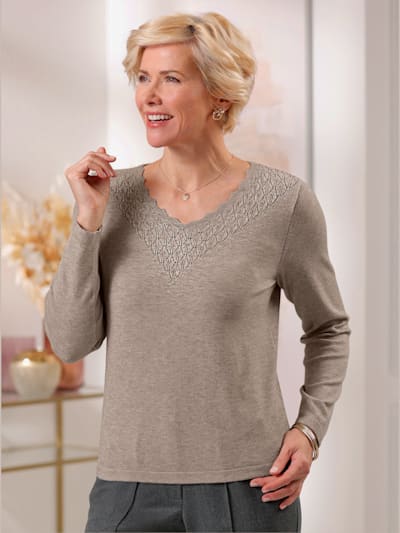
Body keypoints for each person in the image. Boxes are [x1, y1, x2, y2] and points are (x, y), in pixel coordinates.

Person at [44, 11, 351, 533]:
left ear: (219, 95)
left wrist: (309, 430)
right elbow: (70, 344)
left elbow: (328, 327)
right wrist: (88, 222)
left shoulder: (283, 203)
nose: (149, 95)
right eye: (143, 78)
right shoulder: (109, 198)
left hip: (250, 486)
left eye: (171, 78)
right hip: (126, 488)